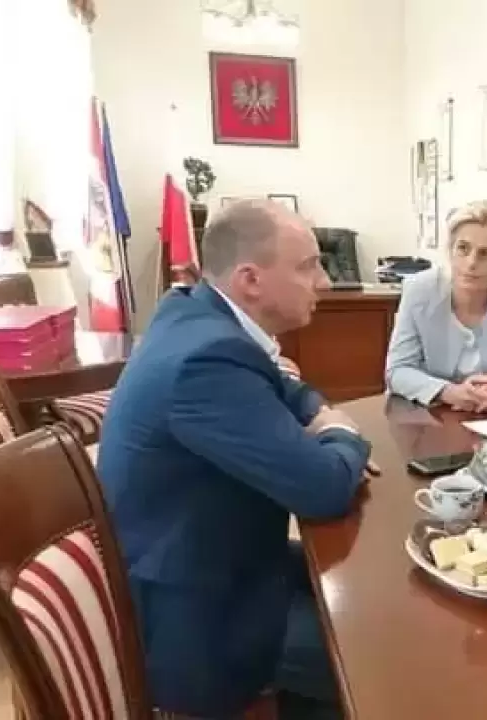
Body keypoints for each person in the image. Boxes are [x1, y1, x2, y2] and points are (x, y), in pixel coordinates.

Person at [95, 200, 369, 718]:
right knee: (377, 657)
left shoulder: (195, 313)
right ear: (251, 280)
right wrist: (343, 433)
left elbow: (282, 384)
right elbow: (325, 489)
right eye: (308, 266)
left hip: (222, 557)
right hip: (202, 621)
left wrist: (318, 412)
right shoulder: (207, 361)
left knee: (367, 591)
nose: (326, 282)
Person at [385, 200, 487, 410]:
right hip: (429, 413)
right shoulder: (420, 290)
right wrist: (448, 392)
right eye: (463, 248)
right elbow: (397, 371)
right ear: (450, 250)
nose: (471, 263)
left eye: (486, 254)